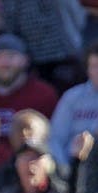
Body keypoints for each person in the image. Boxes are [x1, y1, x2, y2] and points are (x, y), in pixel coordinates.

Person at [48, 42, 98, 176]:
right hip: (72, 170)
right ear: (87, 69)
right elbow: (55, 139)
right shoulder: (72, 97)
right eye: (94, 66)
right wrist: (64, 171)